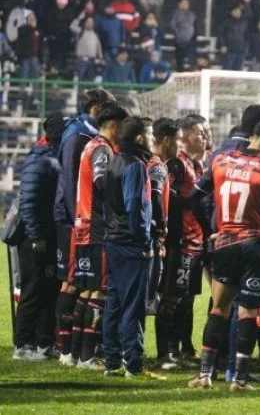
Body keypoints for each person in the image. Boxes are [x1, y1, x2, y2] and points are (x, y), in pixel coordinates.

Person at [188, 118, 260, 391]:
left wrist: (209, 230)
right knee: (248, 313)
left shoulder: (220, 160)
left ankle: (204, 374)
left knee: (219, 308)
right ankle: (239, 379)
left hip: (225, 242)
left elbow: (193, 197)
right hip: (255, 246)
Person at [54, 89, 115, 366]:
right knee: (74, 282)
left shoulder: (83, 134)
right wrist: (76, 218)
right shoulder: (79, 135)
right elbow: (71, 181)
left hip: (78, 219)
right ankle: (67, 350)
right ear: (96, 108)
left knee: (81, 284)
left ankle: (73, 351)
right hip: (77, 220)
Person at [68, 101, 129, 370]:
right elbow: (101, 182)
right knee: (99, 292)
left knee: (86, 290)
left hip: (84, 225)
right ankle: (87, 356)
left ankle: (75, 354)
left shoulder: (90, 146)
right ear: (113, 125)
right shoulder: (102, 149)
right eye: (123, 127)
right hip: (97, 226)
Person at [103, 116, 164, 380]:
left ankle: (112, 362)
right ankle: (134, 364)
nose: (153, 139)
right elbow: (135, 207)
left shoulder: (114, 160)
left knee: (114, 303)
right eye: (149, 134)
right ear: (139, 138)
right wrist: (144, 242)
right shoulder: (136, 166)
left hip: (113, 240)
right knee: (133, 307)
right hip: (131, 244)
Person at [13, 113, 66, 361]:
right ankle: (23, 344)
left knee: (49, 287)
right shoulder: (39, 158)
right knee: (33, 289)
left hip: (48, 233)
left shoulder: (52, 155)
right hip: (35, 237)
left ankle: (44, 343)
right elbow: (28, 201)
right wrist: (35, 235)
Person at [159, 115, 210, 368]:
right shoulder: (176, 165)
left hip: (196, 242)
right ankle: (166, 352)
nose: (206, 137)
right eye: (200, 133)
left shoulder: (197, 165)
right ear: (185, 137)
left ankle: (184, 349)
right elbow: (169, 200)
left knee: (187, 299)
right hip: (181, 243)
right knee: (172, 298)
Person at [143, 118, 177, 318]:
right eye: (177, 140)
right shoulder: (157, 166)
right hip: (151, 238)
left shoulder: (146, 161)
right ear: (166, 140)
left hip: (142, 235)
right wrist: (161, 227)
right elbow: (155, 194)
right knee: (145, 299)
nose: (179, 146)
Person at [73, 16, 103, 82]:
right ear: (85, 23)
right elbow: (72, 27)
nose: (90, 24)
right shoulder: (80, 31)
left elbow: (99, 47)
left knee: (91, 81)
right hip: (81, 60)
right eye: (88, 22)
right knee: (80, 80)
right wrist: (79, 18)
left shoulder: (95, 34)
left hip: (92, 61)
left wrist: (101, 58)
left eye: (91, 22)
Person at [170, 0, 197, 71]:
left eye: (187, 3)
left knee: (191, 60)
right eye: (184, 3)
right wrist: (178, 34)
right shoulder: (175, 13)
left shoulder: (192, 14)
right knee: (180, 60)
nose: (186, 5)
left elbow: (195, 26)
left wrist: (194, 36)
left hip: (191, 41)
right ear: (179, 4)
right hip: (180, 40)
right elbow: (172, 25)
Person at [220, 5, 248, 71]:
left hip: (241, 49)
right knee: (227, 69)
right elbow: (221, 34)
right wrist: (223, 45)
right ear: (231, 12)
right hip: (229, 49)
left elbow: (246, 36)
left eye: (239, 12)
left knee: (238, 70)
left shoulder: (244, 23)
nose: (237, 13)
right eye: (236, 11)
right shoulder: (226, 22)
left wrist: (246, 46)